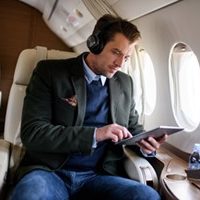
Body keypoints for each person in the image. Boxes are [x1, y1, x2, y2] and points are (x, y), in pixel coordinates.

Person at [10, 14, 167, 200]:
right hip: (50, 172)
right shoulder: (50, 73)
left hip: (99, 176)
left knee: (146, 196)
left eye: (127, 57)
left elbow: (132, 129)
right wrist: (95, 134)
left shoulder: (125, 83)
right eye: (116, 52)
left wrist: (146, 145)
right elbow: (33, 133)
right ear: (95, 44)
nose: (120, 64)